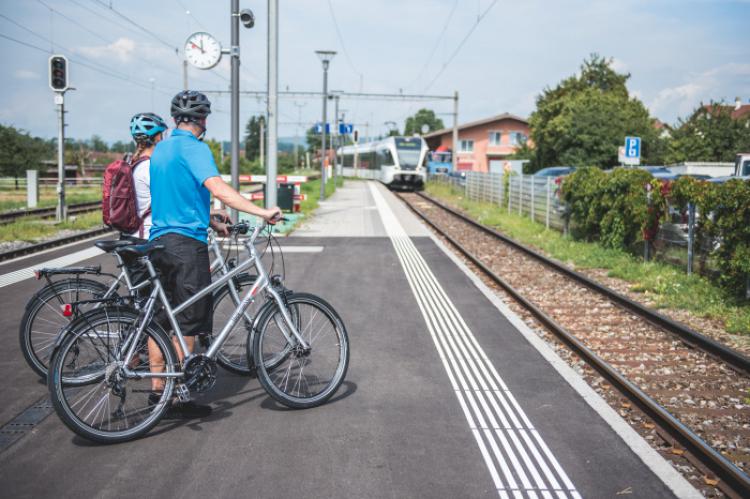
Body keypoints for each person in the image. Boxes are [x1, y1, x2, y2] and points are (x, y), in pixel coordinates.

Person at [147, 90, 281, 418]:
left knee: (162, 322)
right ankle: (179, 398)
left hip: (158, 242)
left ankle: (157, 392)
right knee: (189, 324)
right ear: (203, 120)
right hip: (186, 247)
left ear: (176, 118)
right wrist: (261, 212)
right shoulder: (196, 149)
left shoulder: (161, 149)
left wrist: (210, 220)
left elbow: (175, 195)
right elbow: (218, 188)